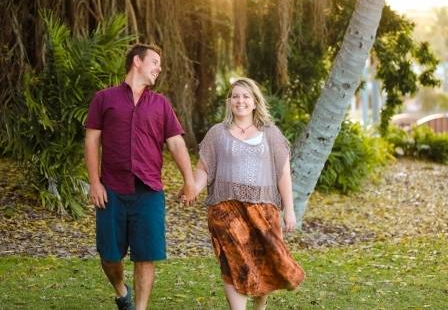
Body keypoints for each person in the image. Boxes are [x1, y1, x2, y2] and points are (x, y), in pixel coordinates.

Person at [84, 43, 197, 310]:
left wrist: (189, 180)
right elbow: (91, 142)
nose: (159, 68)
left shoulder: (161, 103)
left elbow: (177, 144)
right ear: (137, 61)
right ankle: (122, 291)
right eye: (155, 62)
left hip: (149, 192)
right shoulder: (104, 98)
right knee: (109, 256)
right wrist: (95, 182)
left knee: (145, 256)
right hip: (111, 189)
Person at [181, 77, 305, 310]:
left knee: (266, 263)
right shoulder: (217, 133)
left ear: (255, 102)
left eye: (246, 96)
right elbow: (203, 169)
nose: (240, 101)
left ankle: (260, 305)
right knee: (232, 261)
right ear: (229, 102)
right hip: (226, 210)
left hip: (264, 210)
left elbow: (283, 175)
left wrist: (289, 209)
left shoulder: (271, 133)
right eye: (236, 96)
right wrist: (193, 190)